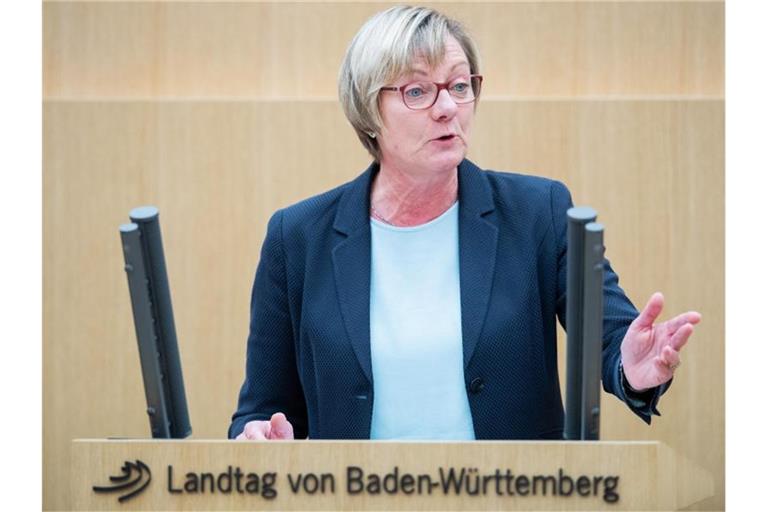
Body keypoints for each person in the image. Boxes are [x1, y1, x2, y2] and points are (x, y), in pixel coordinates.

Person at [228, 6, 700, 441]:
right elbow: (261, 410)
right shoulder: (298, 237)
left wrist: (630, 368)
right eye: (417, 91)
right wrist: (258, 436)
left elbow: (613, 337)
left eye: (458, 85)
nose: (448, 107)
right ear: (368, 111)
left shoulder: (540, 213)